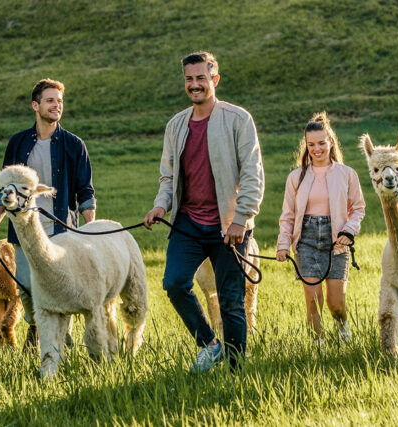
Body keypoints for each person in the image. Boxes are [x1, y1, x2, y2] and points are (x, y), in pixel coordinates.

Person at [143, 51, 264, 373]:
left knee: (231, 301)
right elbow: (168, 176)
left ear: (214, 79)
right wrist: (160, 205)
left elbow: (253, 174)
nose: (194, 85)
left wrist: (241, 220)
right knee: (174, 283)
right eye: (189, 79)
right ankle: (211, 346)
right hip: (188, 224)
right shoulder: (176, 125)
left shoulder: (238, 119)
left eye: (201, 78)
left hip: (229, 227)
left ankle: (236, 370)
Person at [0, 79, 95, 349]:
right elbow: (5, 187)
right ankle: (49, 330)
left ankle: (60, 344)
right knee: (24, 287)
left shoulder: (73, 145)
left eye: (59, 101)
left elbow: (85, 191)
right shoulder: (18, 143)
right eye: (50, 100)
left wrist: (92, 230)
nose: (56, 105)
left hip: (60, 231)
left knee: (58, 289)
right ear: (36, 105)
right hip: (23, 230)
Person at [276, 112, 365, 343]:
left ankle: (344, 333)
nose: (317, 149)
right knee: (313, 301)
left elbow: (358, 208)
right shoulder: (296, 177)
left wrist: (348, 231)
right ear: (306, 146)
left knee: (336, 303)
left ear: (331, 142)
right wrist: (283, 245)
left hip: (336, 241)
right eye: (311, 144)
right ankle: (319, 348)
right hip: (306, 241)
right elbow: (288, 215)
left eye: (321, 143)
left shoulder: (347, 174)